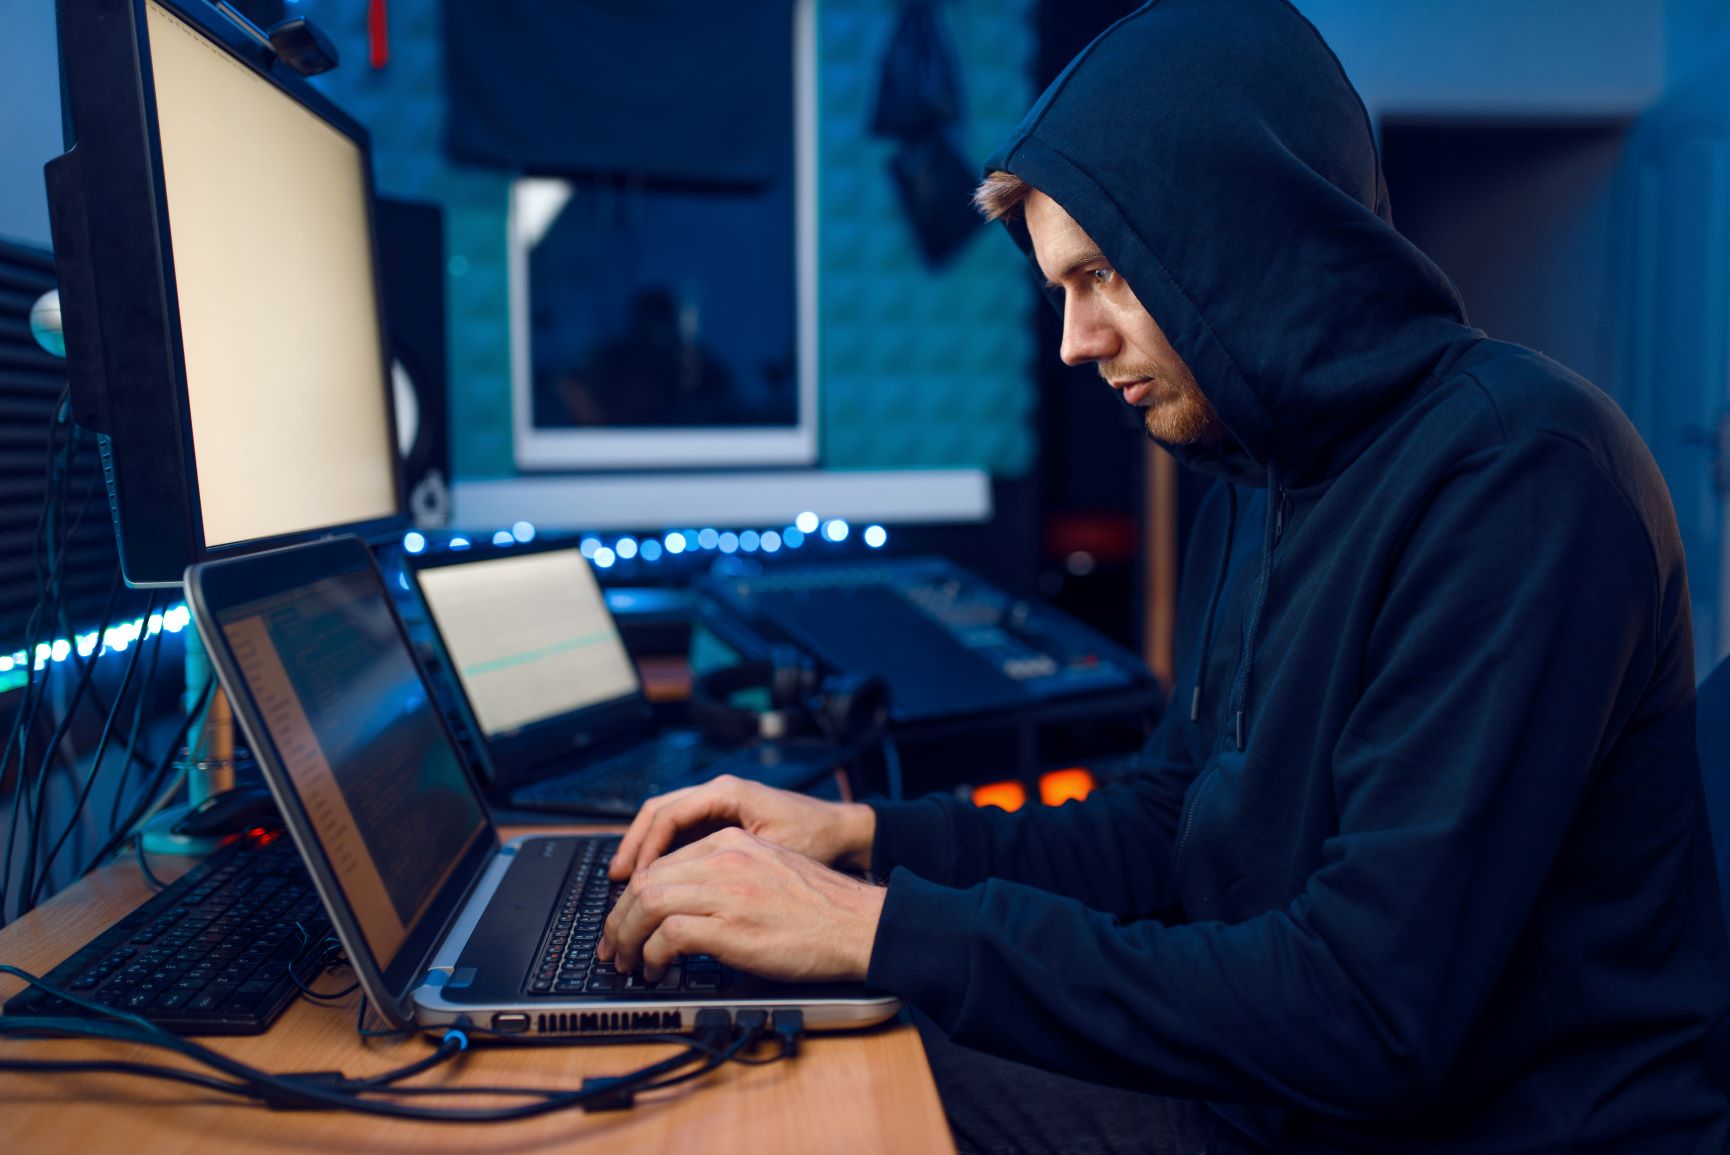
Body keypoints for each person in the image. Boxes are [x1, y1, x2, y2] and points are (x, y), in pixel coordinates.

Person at [600, 1, 1730, 1149]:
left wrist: (870, 928)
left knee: (828, 1102)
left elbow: (1363, 1015)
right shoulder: (1254, 475)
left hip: (1459, 1127)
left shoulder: (1519, 479)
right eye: (1058, 292)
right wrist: (860, 843)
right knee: (784, 1057)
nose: (1072, 342)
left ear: (1236, 234)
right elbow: (1162, 829)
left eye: (1101, 277)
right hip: (1273, 1091)